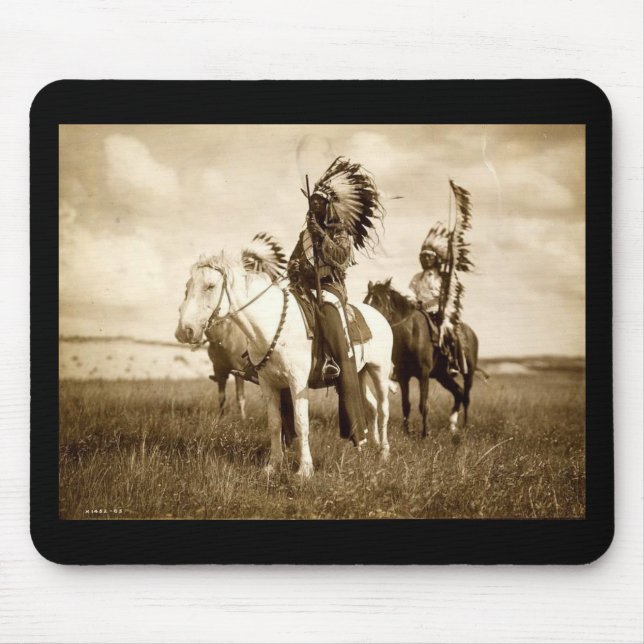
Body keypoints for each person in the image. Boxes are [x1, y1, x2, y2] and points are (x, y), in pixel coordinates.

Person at [287, 157, 384, 445]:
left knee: (330, 318)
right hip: (304, 288)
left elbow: (341, 259)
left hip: (330, 289)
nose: (314, 205)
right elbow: (293, 260)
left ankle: (335, 364)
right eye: (312, 202)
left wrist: (322, 237)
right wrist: (295, 270)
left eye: (319, 202)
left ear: (328, 205)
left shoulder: (339, 231)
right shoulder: (305, 234)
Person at [409, 223, 461, 377]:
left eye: (429, 256)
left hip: (438, 314)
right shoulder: (416, 277)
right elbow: (410, 294)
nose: (426, 259)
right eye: (423, 256)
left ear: (436, 259)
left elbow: (450, 298)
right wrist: (413, 303)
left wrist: (444, 312)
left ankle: (453, 362)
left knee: (449, 332)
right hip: (419, 314)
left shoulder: (444, 278)